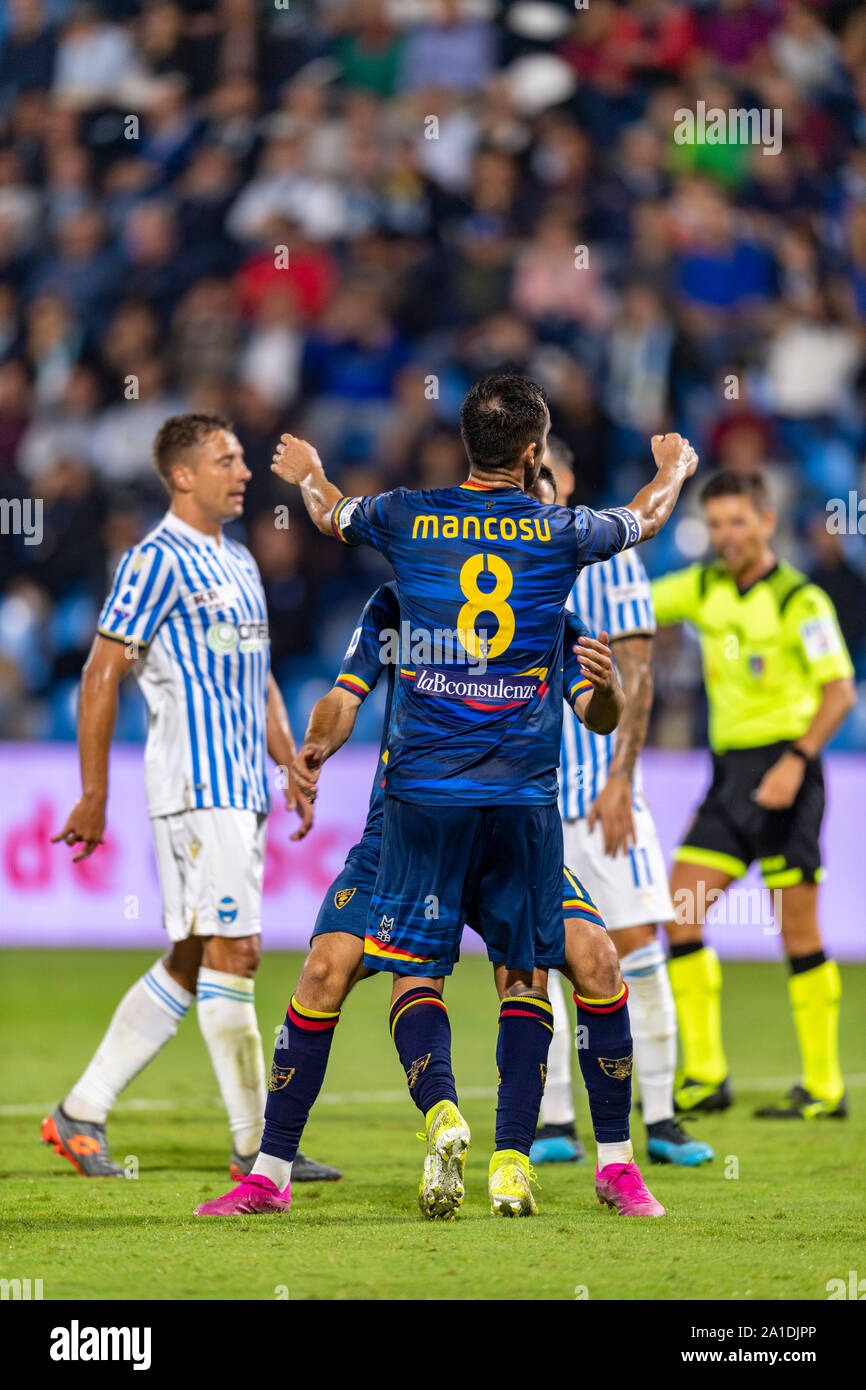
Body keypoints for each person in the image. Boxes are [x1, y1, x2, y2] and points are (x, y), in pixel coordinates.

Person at [263, 373, 696, 1218]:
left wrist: (309, 468)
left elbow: (327, 512)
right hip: (494, 804)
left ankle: (556, 1161)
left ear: (467, 445)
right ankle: (336, 1160)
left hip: (437, 803)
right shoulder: (560, 540)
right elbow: (645, 518)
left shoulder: (406, 521)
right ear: (534, 456)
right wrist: (675, 463)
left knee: (511, 967)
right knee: (515, 975)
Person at [47, 412, 339, 1183]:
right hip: (192, 787)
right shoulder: (155, 560)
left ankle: (80, 1112)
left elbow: (261, 677)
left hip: (240, 789)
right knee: (235, 951)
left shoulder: (239, 561)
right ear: (183, 475)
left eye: (242, 458)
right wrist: (92, 791)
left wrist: (291, 762)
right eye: (227, 459)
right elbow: (100, 673)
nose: (244, 472)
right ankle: (256, 1145)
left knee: (190, 957)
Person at [652, 469, 856, 1119]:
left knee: (797, 929)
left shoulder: (801, 602)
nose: (726, 536)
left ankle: (824, 1087)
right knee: (681, 910)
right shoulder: (703, 588)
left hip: (786, 774)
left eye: (738, 522)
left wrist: (798, 760)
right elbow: (632, 603)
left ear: (767, 522)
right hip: (728, 779)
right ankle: (706, 1075)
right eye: (715, 525)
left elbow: (840, 693)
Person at [531, 443, 713, 1169]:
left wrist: (618, 781)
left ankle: (663, 1119)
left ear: (568, 480)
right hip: (532, 805)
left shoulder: (612, 558)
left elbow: (636, 676)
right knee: (537, 965)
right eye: (525, 475)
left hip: (601, 794)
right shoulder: (504, 558)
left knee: (638, 949)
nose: (535, 485)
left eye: (545, 473)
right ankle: (553, 1124)